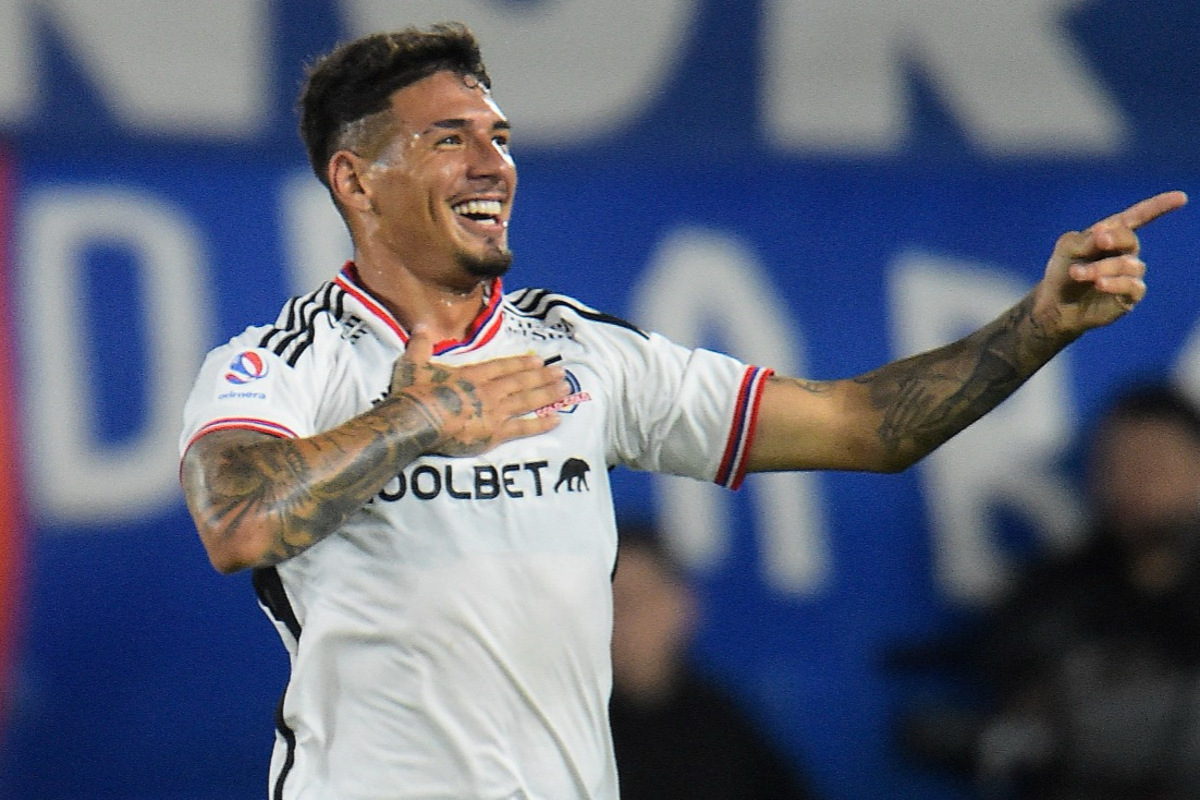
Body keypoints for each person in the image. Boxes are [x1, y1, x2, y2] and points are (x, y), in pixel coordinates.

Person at [176, 21, 1186, 800]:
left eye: (500, 136)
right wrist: (410, 422)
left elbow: (862, 426)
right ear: (355, 178)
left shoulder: (582, 354)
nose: (493, 163)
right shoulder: (283, 361)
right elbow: (237, 517)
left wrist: (1039, 323)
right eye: (449, 139)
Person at [893, 382, 1200, 799]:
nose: (1138, 481)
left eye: (1157, 461)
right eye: (1120, 463)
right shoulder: (1056, 592)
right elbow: (1018, 701)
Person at [609, 525, 816, 800]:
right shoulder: (566, 725)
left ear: (682, 604)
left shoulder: (721, 723)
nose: (623, 621)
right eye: (610, 604)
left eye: (638, 599)